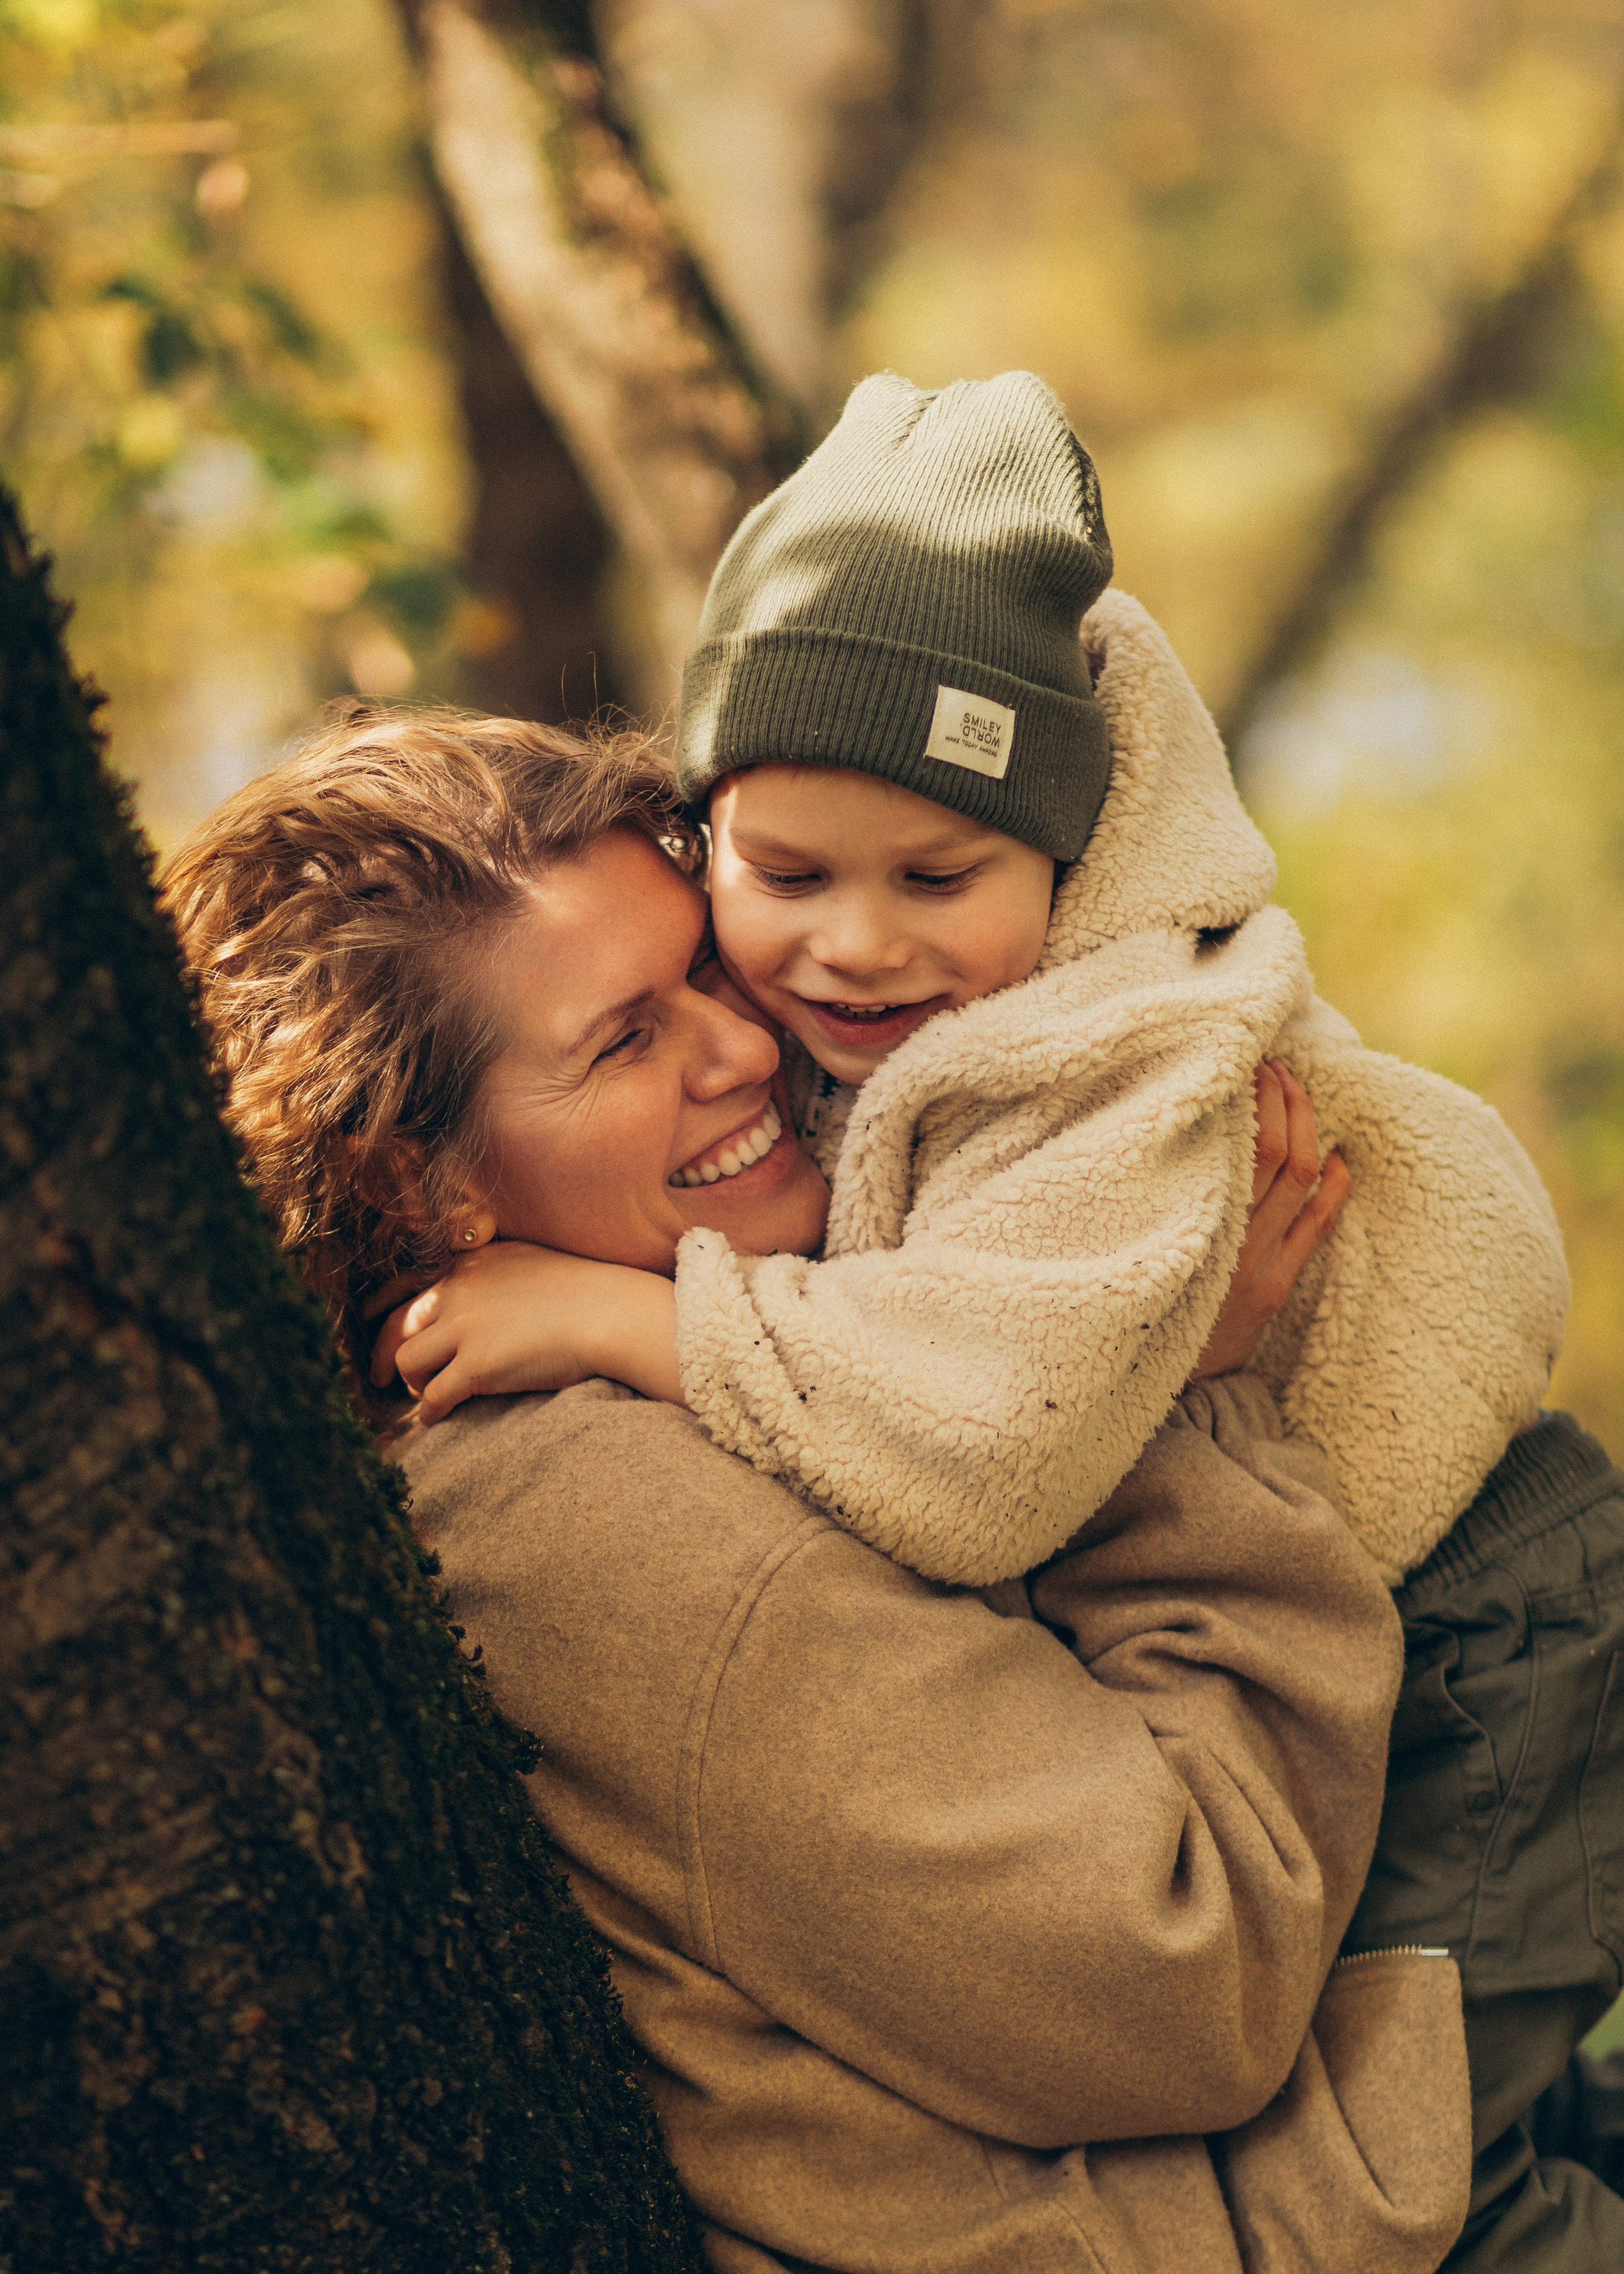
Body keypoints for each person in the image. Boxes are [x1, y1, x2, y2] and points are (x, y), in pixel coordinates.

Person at [365, 374, 1624, 2268]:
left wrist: (651, 1327)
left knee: (1489, 2181)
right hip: (1339, 1672)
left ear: (1055, 865)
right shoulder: (578, 1491)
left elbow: (982, 1467)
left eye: (934, 881)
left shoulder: (1097, 1074)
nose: (831, 965)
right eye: (773, 894)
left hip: (1476, 1623)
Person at [162, 710, 1470, 2273]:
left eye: (704, 968)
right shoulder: (601, 1519)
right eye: (624, 1038)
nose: (742, 1045)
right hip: (1260, 2208)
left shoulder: (659, 1374)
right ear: (413, 1181)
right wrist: (1173, 1410)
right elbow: (1182, 1964)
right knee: (1545, 1550)